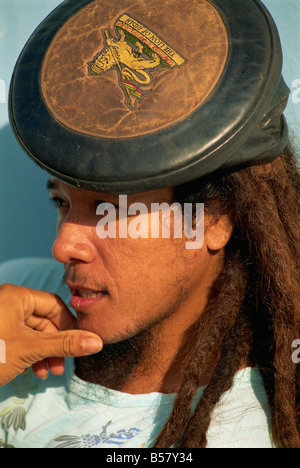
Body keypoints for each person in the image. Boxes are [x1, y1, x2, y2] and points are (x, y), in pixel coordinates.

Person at [0, 0, 299, 449]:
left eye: (112, 212)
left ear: (215, 221)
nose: (63, 246)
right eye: (61, 202)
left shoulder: (265, 425)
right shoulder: (17, 296)